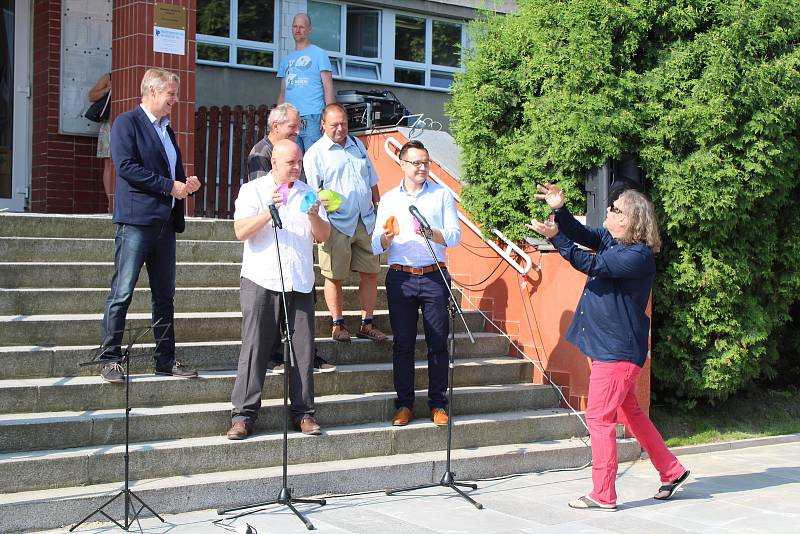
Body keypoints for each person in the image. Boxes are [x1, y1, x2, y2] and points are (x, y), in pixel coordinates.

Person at [527, 183, 690, 511]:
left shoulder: (638, 257)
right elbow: (581, 233)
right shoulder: (611, 240)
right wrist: (559, 210)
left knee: (599, 418)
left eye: (615, 210)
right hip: (612, 350)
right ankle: (672, 470)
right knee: (629, 412)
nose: (608, 213)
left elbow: (592, 265)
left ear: (630, 220)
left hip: (617, 353)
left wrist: (555, 239)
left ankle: (603, 493)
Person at [99, 68, 201, 383]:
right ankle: (111, 358)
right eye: (170, 93)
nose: (175, 99)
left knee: (164, 296)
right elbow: (127, 167)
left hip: (165, 224)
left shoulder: (168, 130)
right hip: (136, 222)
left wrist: (186, 183)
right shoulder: (126, 123)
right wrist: (170, 186)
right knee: (122, 292)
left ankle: (165, 359)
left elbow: (172, 172)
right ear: (152, 92)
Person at [227, 139, 331, 439]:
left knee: (302, 351)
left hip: (298, 281)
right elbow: (239, 231)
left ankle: (304, 413)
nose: (297, 168)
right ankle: (243, 416)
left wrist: (313, 214)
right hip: (262, 278)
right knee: (255, 347)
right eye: (291, 163)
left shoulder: (308, 193)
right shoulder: (253, 190)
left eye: (299, 162)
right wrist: (269, 210)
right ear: (274, 163)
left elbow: (323, 236)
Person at [371, 140, 461, 427]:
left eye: (426, 162)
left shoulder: (441, 195)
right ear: (403, 164)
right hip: (401, 277)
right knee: (403, 345)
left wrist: (430, 232)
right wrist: (385, 237)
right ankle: (404, 404)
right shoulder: (388, 199)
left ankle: (438, 404)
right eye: (416, 162)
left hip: (434, 275)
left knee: (438, 342)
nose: (422, 167)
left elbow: (455, 236)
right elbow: (375, 244)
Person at [246, 102, 335, 373]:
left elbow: (316, 224)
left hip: (299, 253)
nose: (298, 130)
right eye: (293, 126)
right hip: (270, 256)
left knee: (301, 324)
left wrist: (315, 210)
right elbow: (274, 200)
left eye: (300, 126)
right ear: (276, 126)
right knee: (268, 324)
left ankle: (302, 369)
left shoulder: (294, 158)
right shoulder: (262, 154)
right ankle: (275, 356)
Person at [304, 103, 387, 343]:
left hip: (365, 219)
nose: (341, 129)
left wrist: (379, 208)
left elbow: (371, 179)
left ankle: (367, 323)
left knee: (371, 272)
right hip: (336, 222)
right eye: (334, 125)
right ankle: (337, 324)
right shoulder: (315, 153)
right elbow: (312, 191)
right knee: (334, 275)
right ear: (323, 125)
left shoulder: (358, 145)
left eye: (344, 123)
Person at [276, 13, 335, 152]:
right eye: (295, 26)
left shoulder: (319, 54)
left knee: (312, 167)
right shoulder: (286, 60)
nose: (297, 30)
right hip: (290, 120)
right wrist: (278, 118)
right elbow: (283, 92)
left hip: (313, 118)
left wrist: (329, 118)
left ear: (309, 29)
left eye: (302, 27)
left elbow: (328, 87)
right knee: (292, 164)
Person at [88, 72, 114, 213]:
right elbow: (91, 96)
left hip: (130, 124)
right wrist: (107, 89)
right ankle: (111, 203)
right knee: (109, 163)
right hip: (109, 124)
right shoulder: (108, 77)